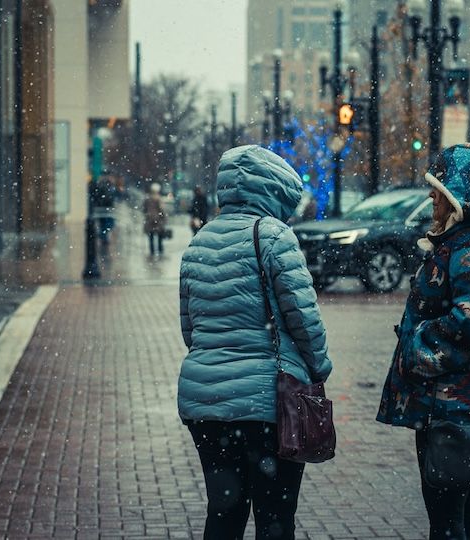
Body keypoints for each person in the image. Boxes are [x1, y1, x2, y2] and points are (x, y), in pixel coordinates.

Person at [178, 145, 332, 539]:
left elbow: (190, 329)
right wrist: (318, 369)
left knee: (224, 512)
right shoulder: (273, 236)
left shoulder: (199, 240)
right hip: (266, 404)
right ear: (275, 190)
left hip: (205, 403)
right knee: (274, 516)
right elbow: (303, 317)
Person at [376, 143, 470, 540]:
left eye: (439, 188)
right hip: (458, 405)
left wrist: (415, 341)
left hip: (456, 405)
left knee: (448, 519)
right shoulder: (466, 241)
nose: (431, 196)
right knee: (466, 511)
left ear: (462, 195)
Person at [143, 182, 167, 256]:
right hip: (158, 221)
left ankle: (152, 253)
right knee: (159, 238)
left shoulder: (147, 200)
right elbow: (162, 210)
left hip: (150, 221)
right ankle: (160, 252)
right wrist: (164, 219)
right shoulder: (159, 199)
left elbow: (144, 210)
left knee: (151, 238)